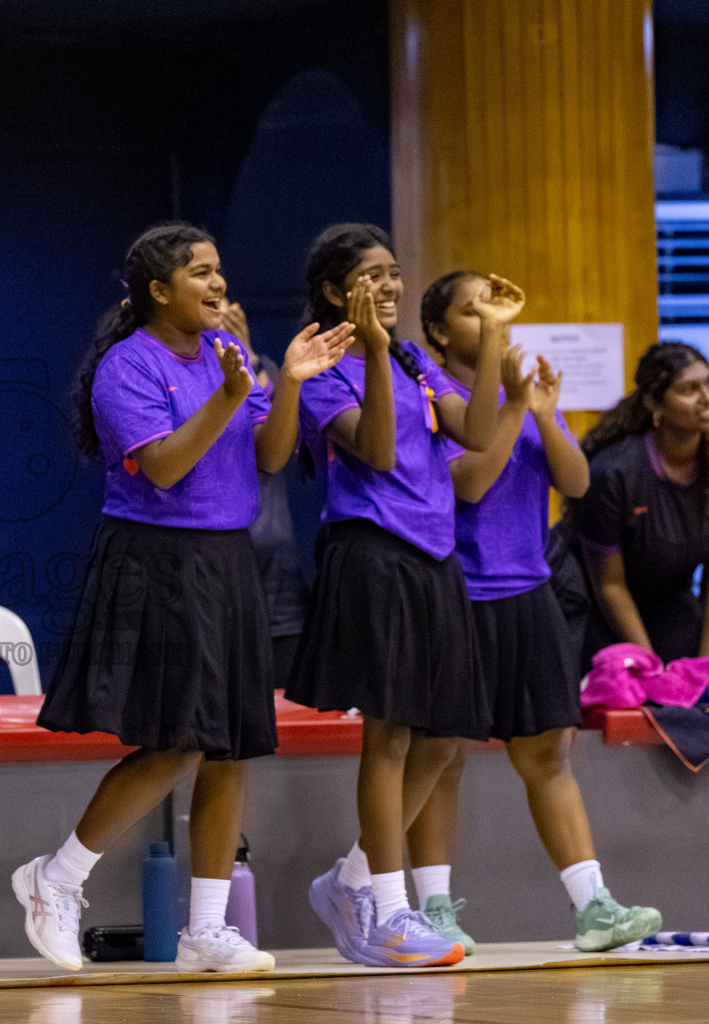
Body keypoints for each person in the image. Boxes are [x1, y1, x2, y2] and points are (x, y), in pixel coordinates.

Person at [12, 223, 353, 974]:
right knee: (177, 740)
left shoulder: (229, 360)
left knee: (229, 744)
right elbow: (164, 468)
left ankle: (207, 929)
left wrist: (283, 381)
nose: (218, 283)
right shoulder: (126, 367)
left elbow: (269, 458)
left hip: (229, 563)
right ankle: (57, 876)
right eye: (201, 272)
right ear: (159, 291)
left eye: (220, 270)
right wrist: (232, 395)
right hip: (156, 561)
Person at [403, 270, 660, 956]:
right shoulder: (430, 393)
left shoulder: (518, 391)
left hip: (530, 590)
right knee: (441, 754)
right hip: (456, 592)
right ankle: (431, 908)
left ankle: (593, 907)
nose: (491, 320)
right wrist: (515, 407)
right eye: (472, 311)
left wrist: (544, 412)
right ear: (437, 329)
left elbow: (574, 483)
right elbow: (471, 481)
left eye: (496, 309)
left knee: (549, 751)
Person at [288, 223, 506, 969]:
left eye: (394, 273)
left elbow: (477, 433)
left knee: (444, 736)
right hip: (370, 555)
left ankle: (348, 879)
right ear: (332, 290)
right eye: (372, 275)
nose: (389, 285)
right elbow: (376, 450)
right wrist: (375, 353)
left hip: (434, 557)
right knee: (388, 735)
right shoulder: (325, 369)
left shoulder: (415, 357)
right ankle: (386, 910)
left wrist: (498, 338)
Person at [572, 342, 709, 667]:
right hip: (595, 601)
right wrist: (649, 665)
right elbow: (609, 584)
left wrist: (707, 667)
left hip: (670, 598)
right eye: (689, 390)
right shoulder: (615, 471)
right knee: (625, 692)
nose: (707, 398)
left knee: (688, 691)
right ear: (655, 403)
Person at [220, 299, 311, 683]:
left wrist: (249, 356)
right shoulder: (174, 375)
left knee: (281, 692)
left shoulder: (268, 373)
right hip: (218, 557)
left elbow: (273, 457)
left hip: (275, 561)